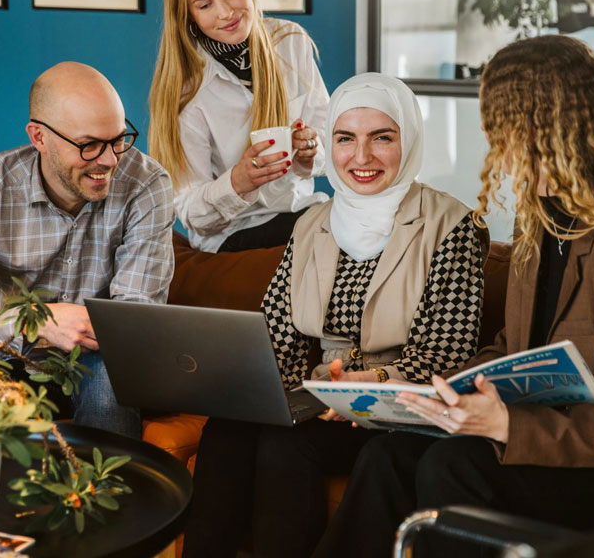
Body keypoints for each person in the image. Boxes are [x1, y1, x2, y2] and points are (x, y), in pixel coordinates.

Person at [314, 35, 594, 558]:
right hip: (538, 441)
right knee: (386, 454)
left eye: (500, 120)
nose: (487, 134)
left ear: (551, 128)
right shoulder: (540, 221)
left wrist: (504, 423)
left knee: (452, 465)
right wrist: (425, 392)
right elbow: (514, 346)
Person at [182, 73, 486, 557]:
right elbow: (275, 331)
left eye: (381, 138)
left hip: (398, 410)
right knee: (227, 427)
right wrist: (289, 391)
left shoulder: (453, 224)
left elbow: (447, 352)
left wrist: (367, 384)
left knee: (287, 445)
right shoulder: (312, 224)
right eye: (345, 139)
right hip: (320, 398)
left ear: (407, 140)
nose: (360, 158)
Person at [0, 62, 175, 439]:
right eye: (89, 145)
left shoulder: (146, 184)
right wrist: (35, 324)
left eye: (118, 139)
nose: (110, 160)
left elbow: (134, 325)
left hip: (97, 361)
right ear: (38, 137)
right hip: (3, 358)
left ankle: (99, 496)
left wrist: (0, 316)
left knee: (110, 379)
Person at [148, 0, 329, 253]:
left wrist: (310, 151)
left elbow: (328, 139)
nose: (225, 12)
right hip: (235, 233)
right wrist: (237, 183)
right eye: (205, 5)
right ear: (187, 13)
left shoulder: (290, 42)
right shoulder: (186, 90)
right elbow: (190, 212)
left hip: (302, 212)